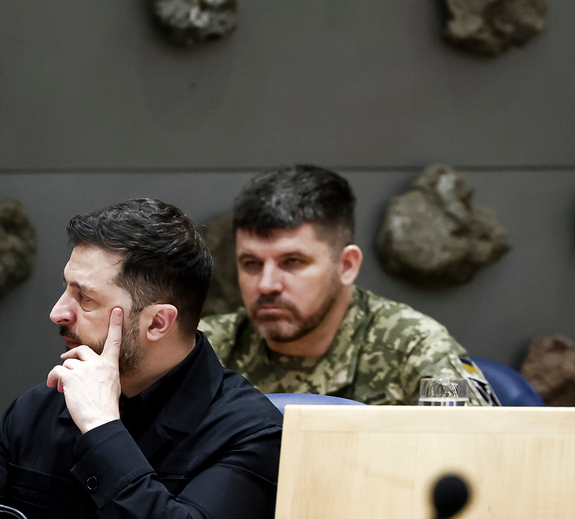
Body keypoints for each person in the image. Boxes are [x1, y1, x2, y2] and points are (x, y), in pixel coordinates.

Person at [0, 199, 283, 519]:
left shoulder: (251, 431)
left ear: (158, 322)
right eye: (66, 288)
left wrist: (102, 427)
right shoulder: (38, 410)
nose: (58, 311)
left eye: (85, 298)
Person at [198, 166, 500, 406]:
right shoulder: (204, 349)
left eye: (292, 262)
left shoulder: (416, 347)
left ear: (346, 266)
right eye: (251, 264)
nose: (266, 285)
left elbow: (477, 463)